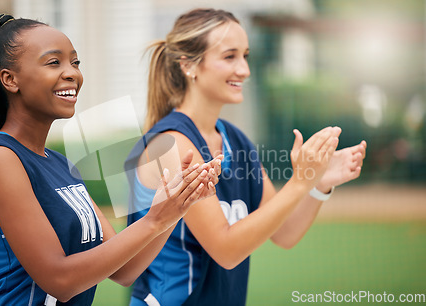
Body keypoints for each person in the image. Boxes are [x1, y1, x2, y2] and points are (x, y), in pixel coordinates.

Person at [0, 13, 222, 305]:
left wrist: (173, 208)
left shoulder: (60, 165)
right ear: (10, 79)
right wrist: (153, 220)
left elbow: (124, 270)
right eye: (53, 62)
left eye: (75, 62)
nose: (72, 73)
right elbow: (60, 280)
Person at [125, 8, 367, 306]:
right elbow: (225, 250)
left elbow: (285, 233)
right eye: (229, 57)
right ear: (189, 65)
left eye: (245, 56)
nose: (244, 70)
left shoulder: (237, 142)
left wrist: (318, 183)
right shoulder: (173, 145)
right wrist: (300, 182)